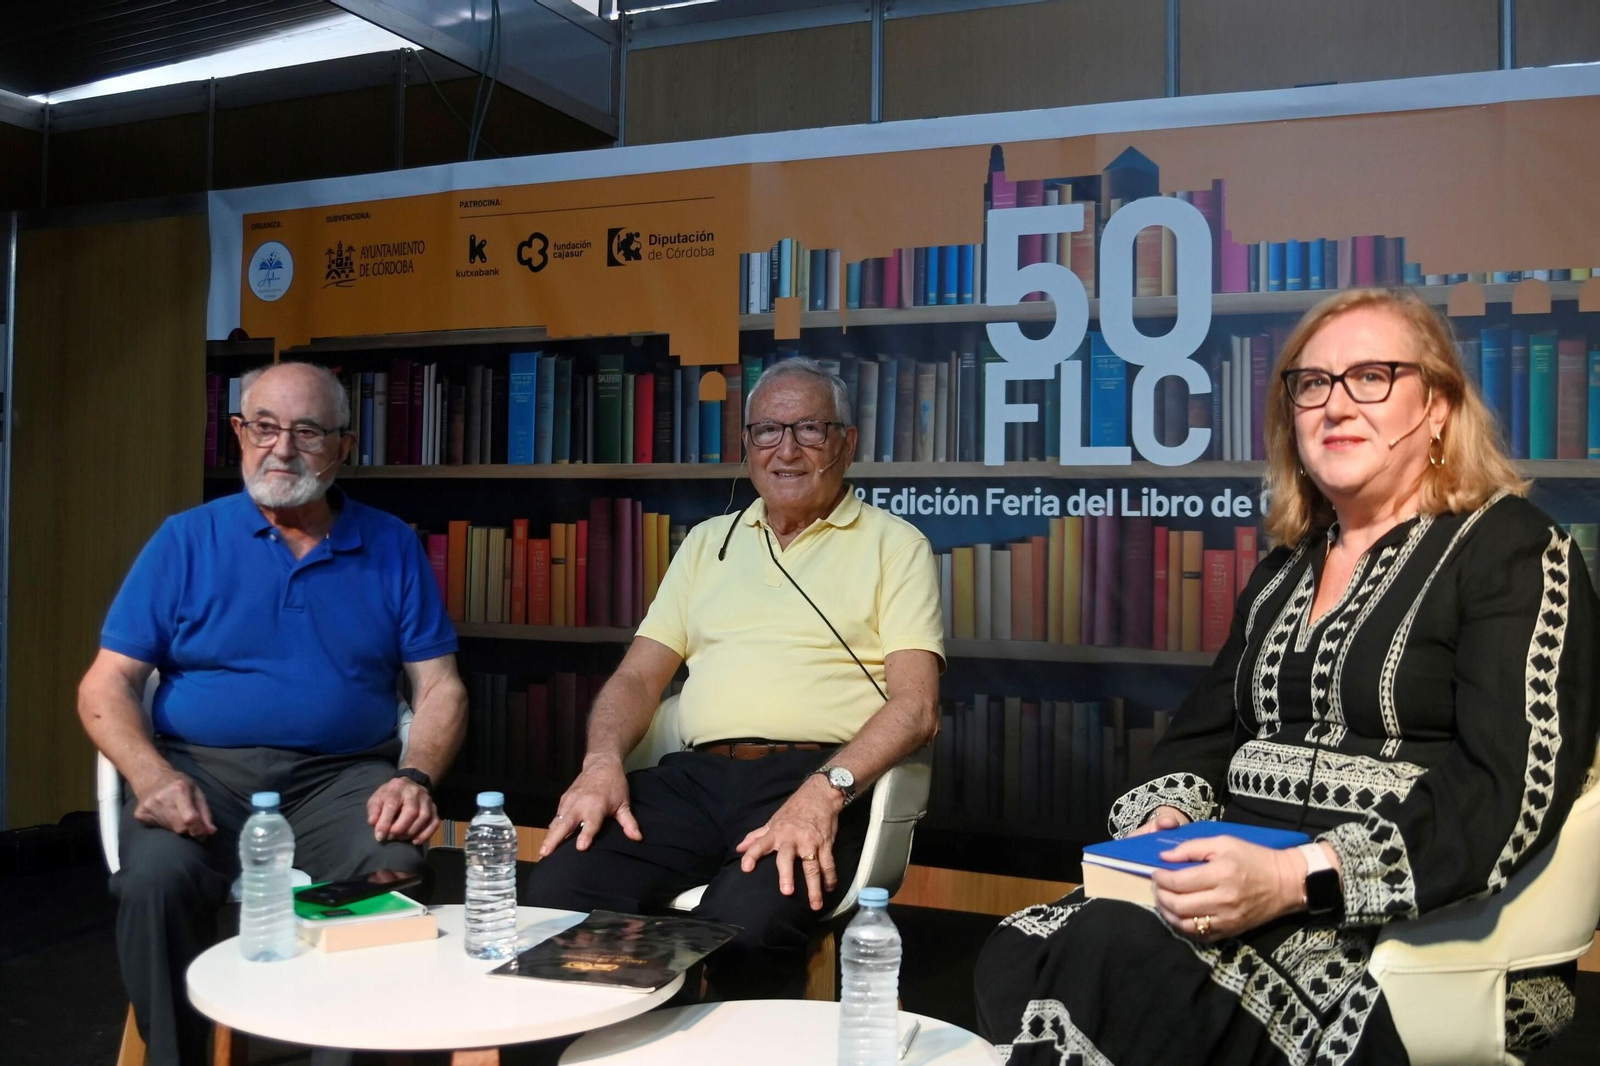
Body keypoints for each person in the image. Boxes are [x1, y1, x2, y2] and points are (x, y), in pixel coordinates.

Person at [975, 289, 1600, 1064]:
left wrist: (1294, 875)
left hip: (1406, 921)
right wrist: (1167, 824)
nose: (1336, 405)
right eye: (1313, 383)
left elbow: (1508, 785)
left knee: (1109, 956)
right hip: (1234, 890)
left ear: (1438, 406)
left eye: (1371, 376)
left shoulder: (1513, 551)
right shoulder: (1283, 571)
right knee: (1020, 946)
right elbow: (1204, 735)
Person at [78, 361, 467, 1066]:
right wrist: (151, 775)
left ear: (344, 447)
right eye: (263, 427)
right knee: (156, 881)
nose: (281, 448)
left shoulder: (391, 545)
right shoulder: (183, 540)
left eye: (308, 431)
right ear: (238, 433)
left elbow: (440, 686)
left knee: (392, 867)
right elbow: (106, 685)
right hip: (202, 776)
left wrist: (414, 776)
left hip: (341, 780)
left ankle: (340, 1055)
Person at [523, 356, 944, 998]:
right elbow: (637, 678)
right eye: (767, 432)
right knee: (556, 890)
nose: (786, 450)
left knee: (743, 928)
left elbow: (916, 709)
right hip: (692, 781)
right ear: (747, 445)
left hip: (809, 777)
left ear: (846, 442)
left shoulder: (897, 545)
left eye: (809, 429)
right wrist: (601, 761)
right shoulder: (705, 543)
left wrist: (824, 791)